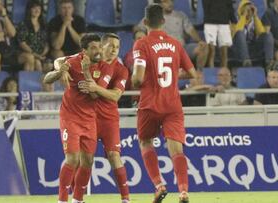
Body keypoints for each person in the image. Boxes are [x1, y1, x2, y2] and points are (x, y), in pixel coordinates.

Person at [132, 4, 197, 203]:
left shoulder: (141, 44)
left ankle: (159, 185)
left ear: (145, 23)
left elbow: (137, 79)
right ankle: (184, 192)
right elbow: (193, 74)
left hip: (150, 104)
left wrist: (139, 77)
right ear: (163, 21)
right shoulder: (176, 44)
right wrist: (174, 76)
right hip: (172, 105)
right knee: (176, 149)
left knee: (145, 143)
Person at [43, 33, 111, 203]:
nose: (98, 51)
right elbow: (49, 75)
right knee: (72, 159)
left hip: (89, 119)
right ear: (84, 51)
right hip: (70, 117)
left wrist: (86, 71)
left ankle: (78, 199)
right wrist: (60, 70)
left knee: (88, 161)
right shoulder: (74, 60)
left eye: (99, 47)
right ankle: (62, 200)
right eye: (94, 48)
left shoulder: (105, 67)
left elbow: (96, 96)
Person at [75, 33, 131, 203]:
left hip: (109, 119)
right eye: (111, 45)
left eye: (117, 47)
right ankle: (77, 199)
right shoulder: (90, 64)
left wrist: (95, 88)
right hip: (88, 118)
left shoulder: (122, 70)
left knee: (114, 155)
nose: (114, 50)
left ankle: (125, 199)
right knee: (86, 159)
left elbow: (115, 96)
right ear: (102, 47)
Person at [135, 0, 209, 69]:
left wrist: (199, 41)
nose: (170, 4)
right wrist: (139, 33)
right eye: (166, 2)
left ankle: (198, 75)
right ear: (160, 4)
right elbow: (137, 28)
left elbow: (191, 30)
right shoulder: (153, 16)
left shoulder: (181, 15)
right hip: (163, 49)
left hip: (182, 48)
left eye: (171, 1)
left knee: (203, 48)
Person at [230, 0, 275, 68]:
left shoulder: (254, 21)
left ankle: (269, 62)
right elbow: (236, 33)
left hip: (252, 47)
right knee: (240, 33)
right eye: (246, 9)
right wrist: (243, 16)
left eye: (251, 9)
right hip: (237, 49)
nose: (249, 11)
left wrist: (255, 16)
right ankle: (246, 61)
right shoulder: (234, 21)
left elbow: (261, 33)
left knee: (268, 35)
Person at [17, 0, 49, 71]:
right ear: (29, 10)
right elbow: (22, 43)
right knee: (31, 58)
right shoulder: (23, 24)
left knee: (38, 63)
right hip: (25, 53)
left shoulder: (44, 24)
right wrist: (35, 54)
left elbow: (47, 42)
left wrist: (43, 53)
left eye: (39, 8)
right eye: (34, 8)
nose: (37, 10)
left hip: (41, 55)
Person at [203, 0, 236, 67]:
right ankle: (211, 73)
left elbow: (230, 7)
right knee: (211, 51)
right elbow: (206, 7)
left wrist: (233, 22)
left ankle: (224, 72)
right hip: (210, 23)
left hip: (224, 23)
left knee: (224, 52)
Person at [0, 0, 16, 72]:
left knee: (29, 58)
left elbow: (12, 33)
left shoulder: (5, 17)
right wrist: (3, 33)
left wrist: (4, 16)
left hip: (6, 49)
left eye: (0, 3)